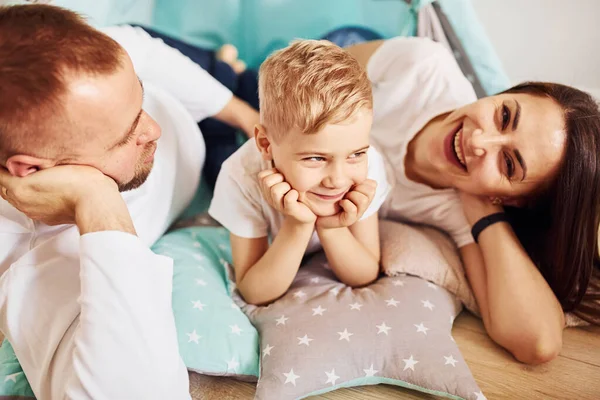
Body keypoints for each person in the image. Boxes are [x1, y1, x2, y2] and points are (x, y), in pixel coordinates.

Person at [0, 4, 258, 399]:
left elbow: (140, 48)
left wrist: (249, 119)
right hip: (210, 154)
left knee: (223, 74)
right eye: (125, 136)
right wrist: (95, 197)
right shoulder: (33, 260)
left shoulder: (90, 75)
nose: (153, 128)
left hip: (193, 96)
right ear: (31, 170)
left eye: (141, 104)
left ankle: (221, 70)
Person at [345, 37, 600, 364]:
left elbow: (538, 342)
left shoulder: (461, 209)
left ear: (513, 200)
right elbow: (310, 64)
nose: (478, 140)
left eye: (508, 164)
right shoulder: (423, 66)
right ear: (501, 94)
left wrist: (485, 208)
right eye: (504, 115)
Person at [208, 40, 391, 305]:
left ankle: (240, 74)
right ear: (265, 144)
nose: (338, 180)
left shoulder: (368, 164)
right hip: (235, 157)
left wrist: (331, 228)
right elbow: (254, 291)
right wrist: (298, 225)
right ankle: (227, 69)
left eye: (355, 154)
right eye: (316, 158)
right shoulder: (240, 175)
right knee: (215, 143)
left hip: (276, 133)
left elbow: (364, 274)